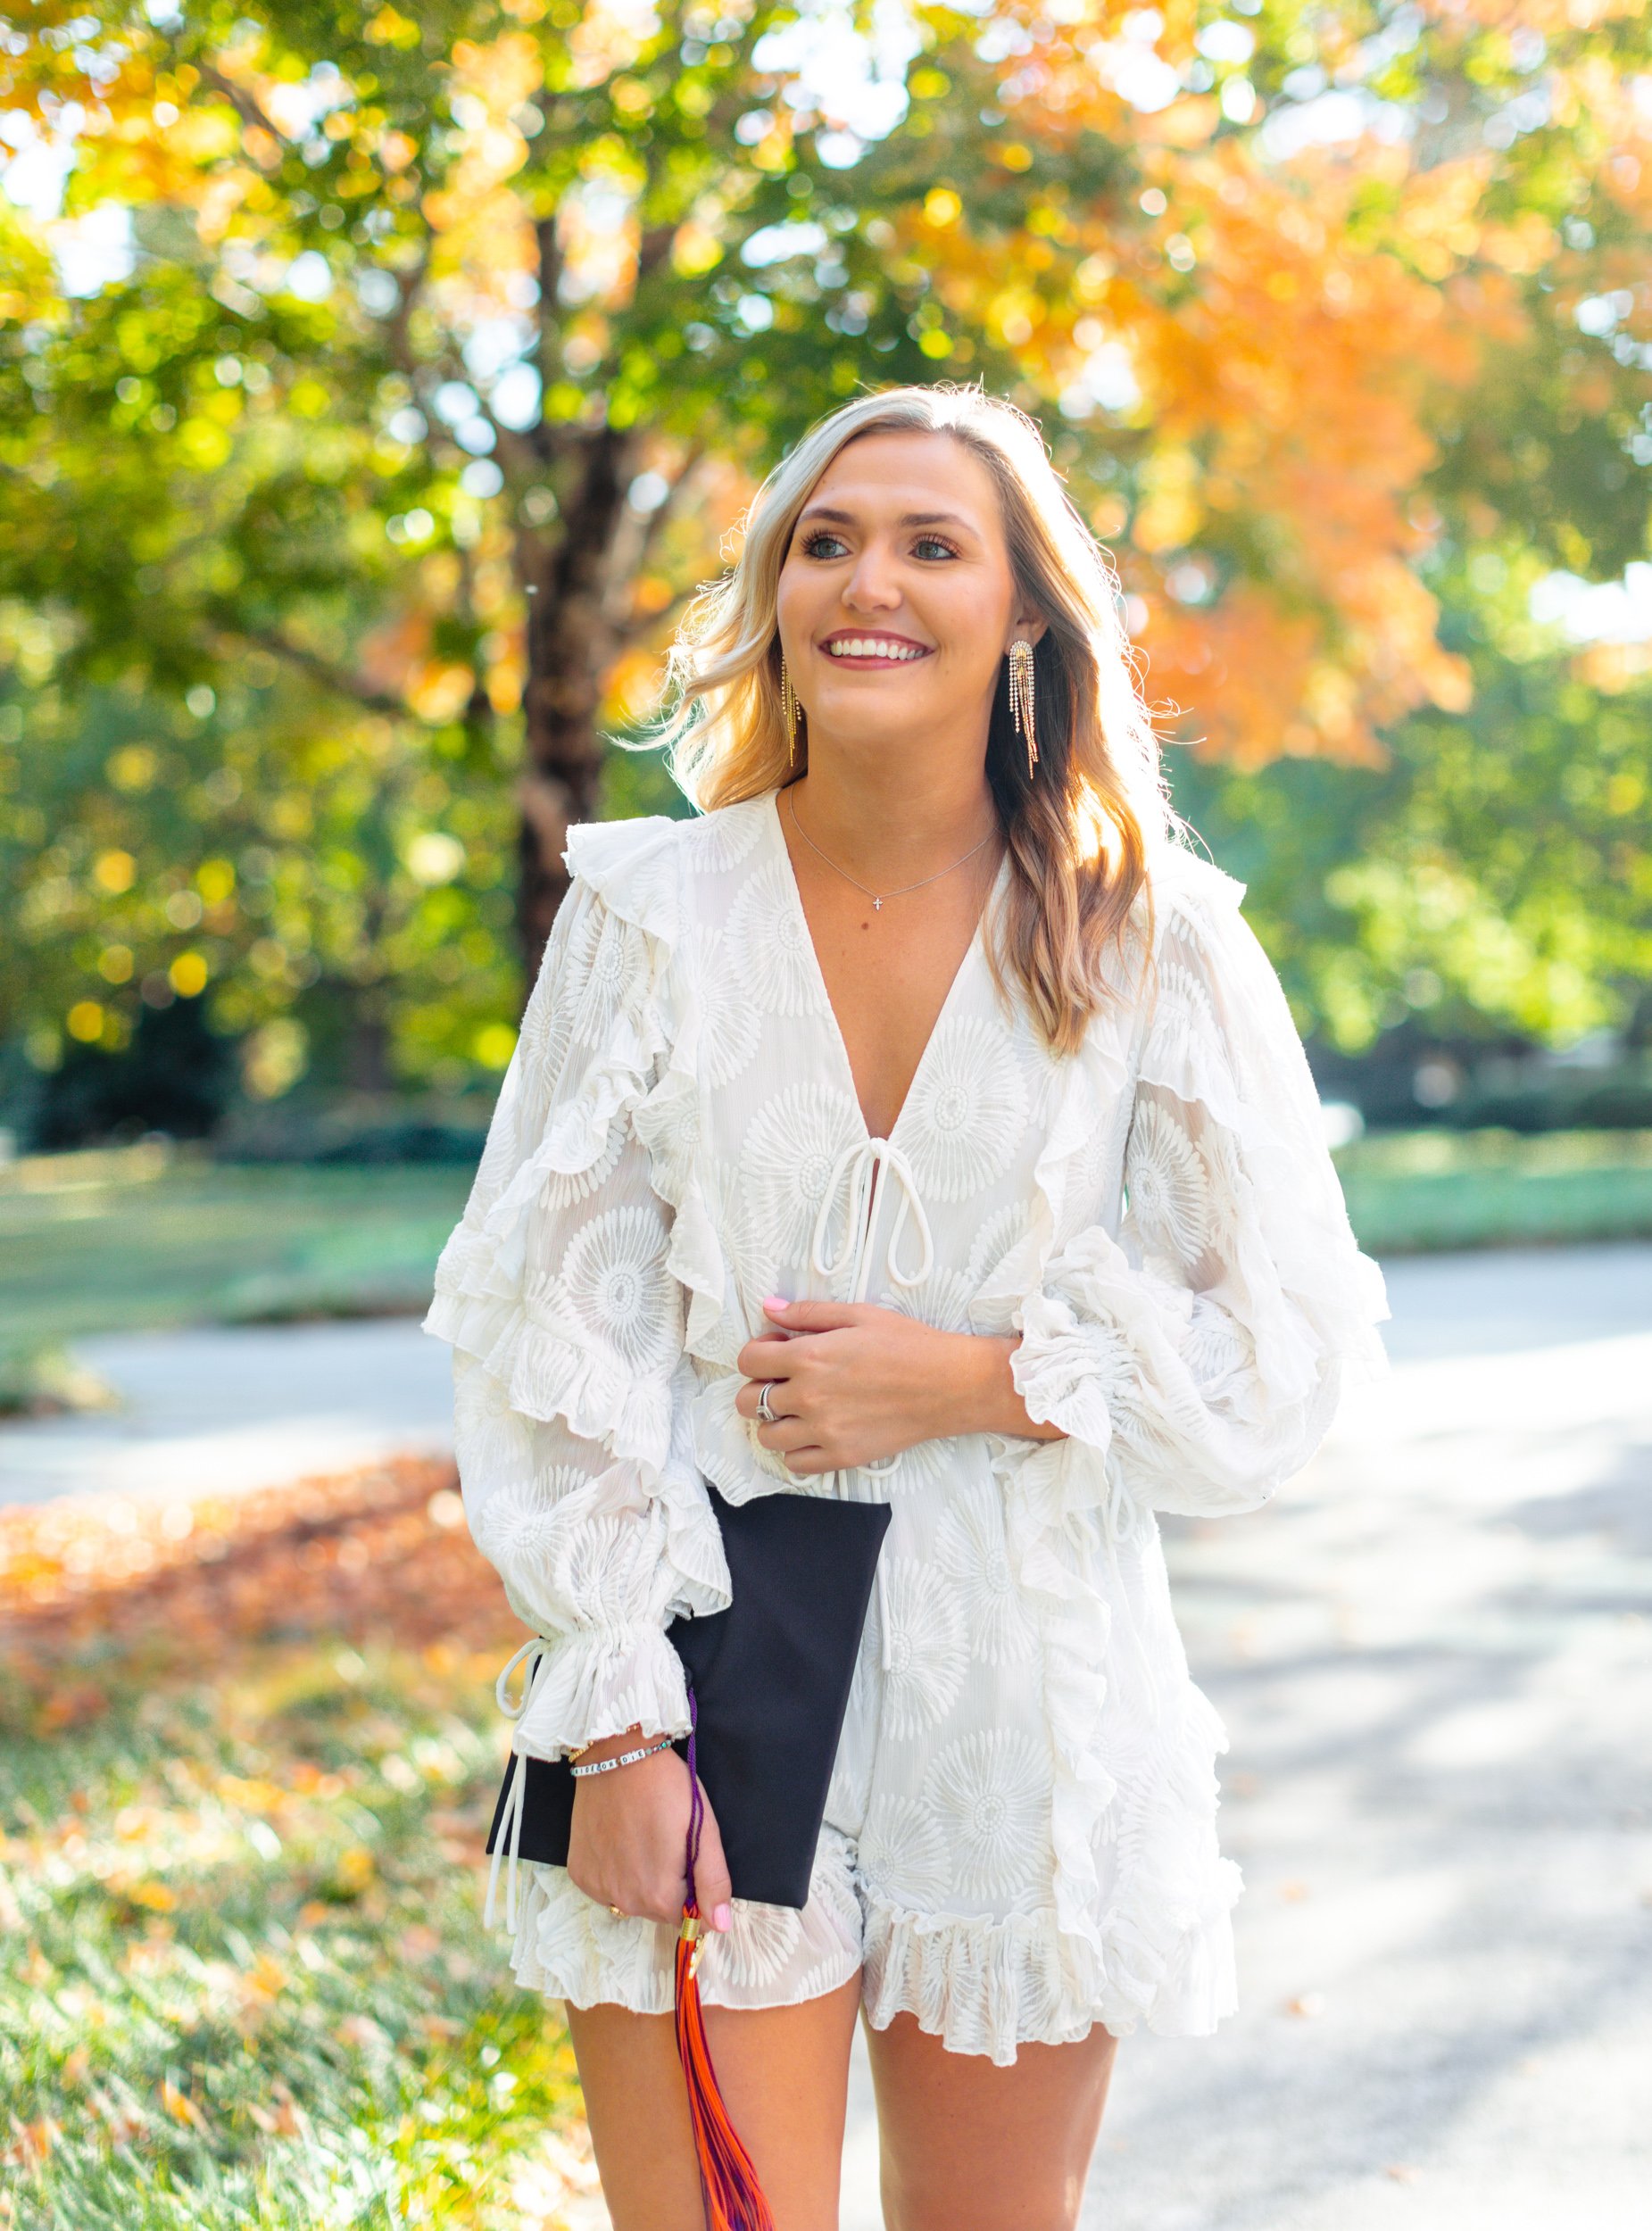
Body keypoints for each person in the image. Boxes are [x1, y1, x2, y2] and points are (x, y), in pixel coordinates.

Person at [424, 383, 1389, 2231]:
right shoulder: (649, 910)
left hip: (1025, 1679)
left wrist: (978, 1378)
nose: (867, 579)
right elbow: (554, 1335)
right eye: (824, 537)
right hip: (704, 1649)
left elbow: (1280, 1351)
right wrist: (615, 1723)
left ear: (1025, 610)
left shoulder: (1146, 933)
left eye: (931, 543)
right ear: (776, 590)